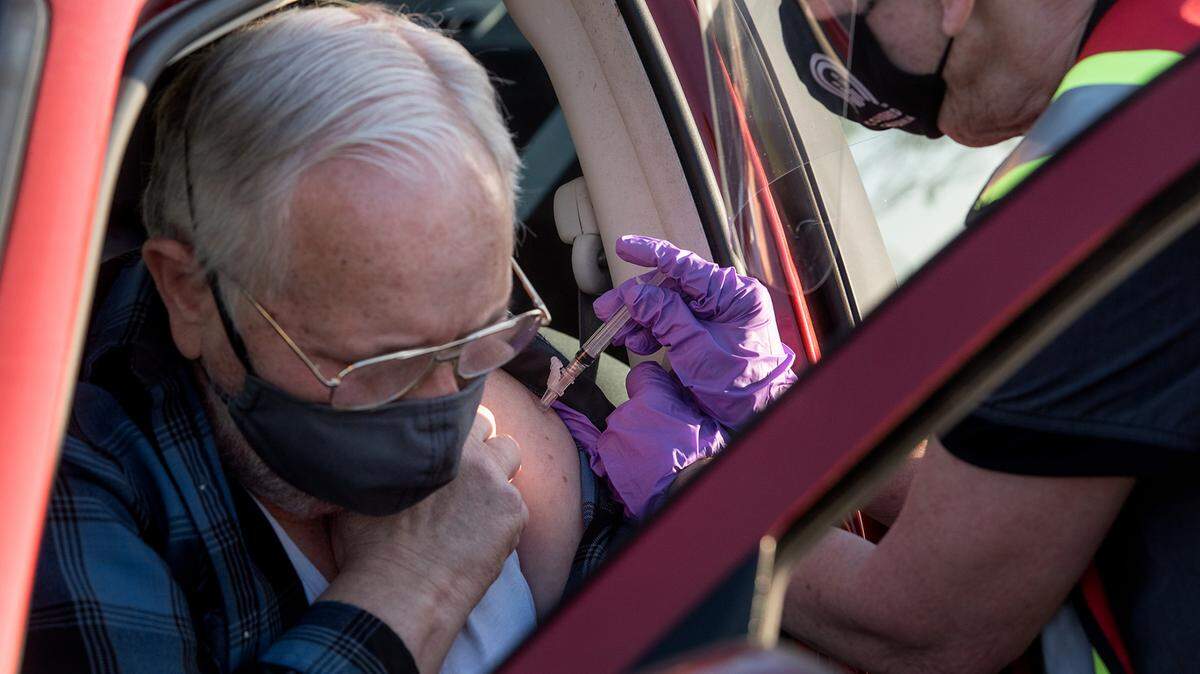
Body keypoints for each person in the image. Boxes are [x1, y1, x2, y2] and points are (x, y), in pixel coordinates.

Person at [24, 6, 801, 673]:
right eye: (380, 364)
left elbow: (677, 613)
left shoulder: (488, 351)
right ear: (189, 294)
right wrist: (414, 585)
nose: (447, 408)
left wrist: (731, 476)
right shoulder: (59, 494)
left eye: (472, 337)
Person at [746, 0, 1200, 672]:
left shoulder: (1098, 182)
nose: (836, 39)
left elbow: (923, 626)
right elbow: (1037, 479)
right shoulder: (1165, 72)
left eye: (842, 10)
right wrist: (776, 427)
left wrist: (683, 507)